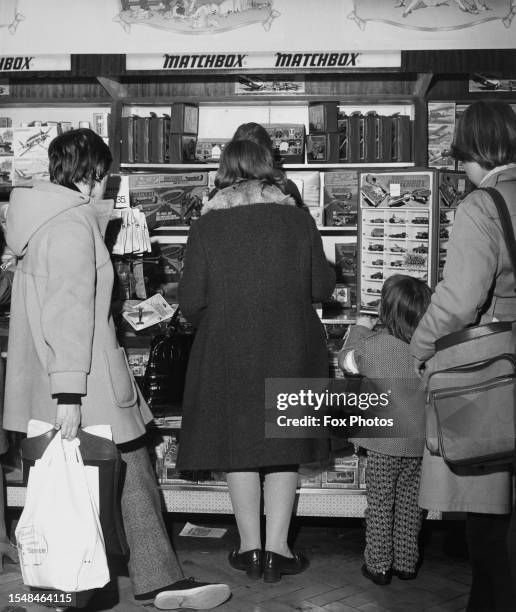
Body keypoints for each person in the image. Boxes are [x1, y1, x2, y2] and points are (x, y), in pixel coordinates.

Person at [3, 128, 230, 610]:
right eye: (103, 177)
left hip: (67, 379)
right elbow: (67, 313)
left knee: (113, 477)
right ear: (91, 175)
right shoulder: (68, 226)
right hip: (83, 384)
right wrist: (68, 396)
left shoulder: (41, 220)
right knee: (123, 472)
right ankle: (129, 581)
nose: (106, 186)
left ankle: (110, 582)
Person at [177, 138, 335, 582]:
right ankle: (278, 551)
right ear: (270, 168)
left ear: (224, 172)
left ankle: (248, 550)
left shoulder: (206, 227)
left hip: (228, 350)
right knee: (284, 448)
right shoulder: (297, 219)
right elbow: (321, 289)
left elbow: (191, 302)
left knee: (239, 447)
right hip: (291, 347)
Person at [410, 100, 516, 612]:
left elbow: (458, 301)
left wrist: (420, 347)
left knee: (491, 515)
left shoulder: (482, 205)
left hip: (499, 373)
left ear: (474, 151)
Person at [338, 274, 430, 586]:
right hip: (418, 443)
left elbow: (346, 363)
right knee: (410, 504)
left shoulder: (373, 346)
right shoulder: (428, 350)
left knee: (380, 503)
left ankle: (378, 565)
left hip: (381, 443)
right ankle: (406, 563)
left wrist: (361, 328)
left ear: (385, 312)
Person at [230, 121, 307, 209]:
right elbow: (304, 221)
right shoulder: (287, 189)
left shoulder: (218, 195)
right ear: (269, 153)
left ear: (232, 153)